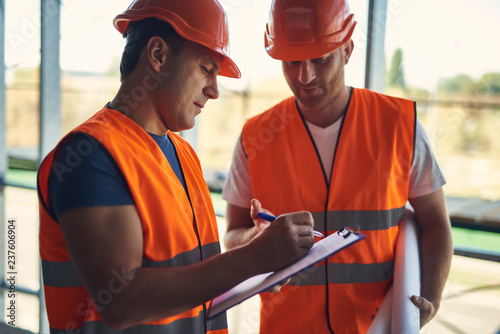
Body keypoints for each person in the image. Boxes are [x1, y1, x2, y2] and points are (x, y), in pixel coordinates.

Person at [37, 0, 316, 333]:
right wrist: (252, 258)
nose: (214, 91)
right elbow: (122, 301)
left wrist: (260, 264)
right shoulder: (90, 156)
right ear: (158, 55)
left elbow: (192, 279)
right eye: (206, 69)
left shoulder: (184, 154)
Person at [222, 0, 454, 333]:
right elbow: (231, 234)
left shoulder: (400, 127)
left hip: (374, 327)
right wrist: (255, 240)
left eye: (320, 59)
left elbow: (435, 224)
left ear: (347, 49)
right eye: (291, 62)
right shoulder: (255, 137)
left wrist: (430, 297)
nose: (305, 76)